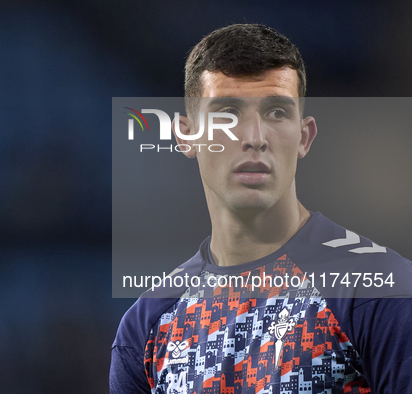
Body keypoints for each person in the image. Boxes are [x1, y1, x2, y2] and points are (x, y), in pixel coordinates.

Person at [110, 24, 412, 393]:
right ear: (186, 137)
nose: (254, 138)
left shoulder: (380, 290)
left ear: (304, 137)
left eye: (276, 113)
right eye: (227, 114)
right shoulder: (147, 324)